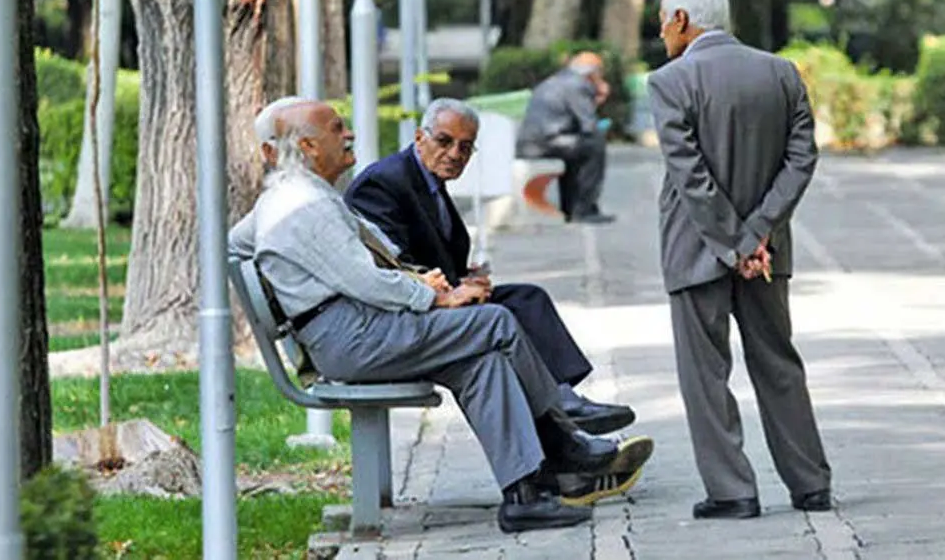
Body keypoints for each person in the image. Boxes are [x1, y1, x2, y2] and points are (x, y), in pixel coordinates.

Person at [228, 100, 652, 532]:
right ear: (308, 146)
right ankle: (564, 442)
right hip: (352, 337)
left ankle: (525, 495)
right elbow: (365, 281)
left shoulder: (290, 197)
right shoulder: (303, 205)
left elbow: (233, 244)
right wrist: (434, 299)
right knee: (496, 321)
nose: (349, 134)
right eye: (338, 128)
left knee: (482, 362)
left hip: (355, 330)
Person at [343, 98, 646, 504]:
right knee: (498, 329)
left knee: (526, 299)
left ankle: (563, 410)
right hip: (403, 316)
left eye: (465, 147)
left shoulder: (429, 181)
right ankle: (563, 432)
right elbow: (389, 264)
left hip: (436, 299)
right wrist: (450, 293)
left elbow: (428, 252)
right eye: (445, 141)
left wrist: (466, 278)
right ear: (419, 137)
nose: (455, 154)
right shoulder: (384, 182)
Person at [648, 0, 832, 520]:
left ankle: (732, 491)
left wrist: (734, 242)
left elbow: (690, 176)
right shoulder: (781, 73)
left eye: (663, 22)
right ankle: (811, 484)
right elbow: (802, 159)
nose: (661, 33)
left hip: (696, 248)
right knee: (779, 364)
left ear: (682, 19)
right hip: (767, 252)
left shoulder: (670, 81)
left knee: (705, 375)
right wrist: (759, 234)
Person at [516, 52, 615, 224]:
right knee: (594, 144)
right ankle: (584, 210)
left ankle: (570, 208)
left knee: (578, 150)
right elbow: (589, 124)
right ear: (593, 73)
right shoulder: (578, 85)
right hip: (548, 143)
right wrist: (599, 96)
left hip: (533, 144)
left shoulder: (555, 80)